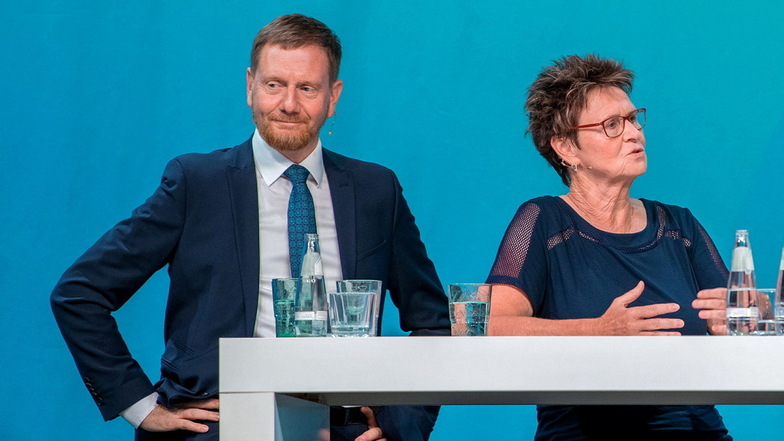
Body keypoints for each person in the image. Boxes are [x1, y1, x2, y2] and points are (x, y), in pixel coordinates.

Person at [51, 14, 449, 441]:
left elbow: (432, 322)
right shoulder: (196, 183)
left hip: (344, 427)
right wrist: (140, 406)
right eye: (274, 84)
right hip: (221, 425)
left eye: (307, 88)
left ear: (333, 97)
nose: (289, 104)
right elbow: (80, 293)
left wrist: (399, 424)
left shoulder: (376, 190)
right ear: (250, 86)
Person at [485, 54, 732, 440]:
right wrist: (598, 331)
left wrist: (736, 324)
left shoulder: (679, 225)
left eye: (634, 119)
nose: (635, 133)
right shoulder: (544, 220)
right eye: (612, 125)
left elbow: (742, 319)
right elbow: (492, 327)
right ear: (566, 147)